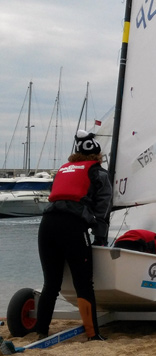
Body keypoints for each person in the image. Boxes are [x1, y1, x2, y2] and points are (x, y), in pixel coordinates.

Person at [36, 130, 112, 341]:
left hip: (47, 224)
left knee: (51, 283)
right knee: (84, 283)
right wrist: (100, 237)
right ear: (96, 155)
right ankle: (92, 334)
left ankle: (40, 331)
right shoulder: (99, 173)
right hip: (71, 227)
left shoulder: (63, 169)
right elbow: (103, 208)